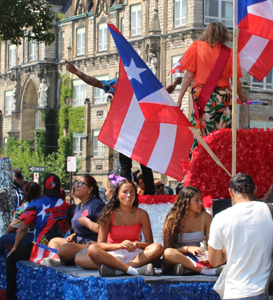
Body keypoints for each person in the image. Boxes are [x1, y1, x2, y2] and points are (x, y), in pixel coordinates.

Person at [65, 61, 182, 196]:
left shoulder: (118, 84)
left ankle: (126, 191)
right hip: (141, 130)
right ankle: (149, 194)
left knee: (127, 165)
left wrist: (76, 72)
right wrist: (175, 84)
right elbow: (165, 92)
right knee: (144, 164)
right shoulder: (145, 85)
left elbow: (96, 82)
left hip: (127, 130)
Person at [0, 174, 70, 300]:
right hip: (61, 247)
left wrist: (15, 247)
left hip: (40, 247)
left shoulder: (36, 203)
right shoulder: (66, 205)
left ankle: (10, 299)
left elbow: (23, 228)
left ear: (44, 188)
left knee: (11, 259)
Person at [76, 179, 163, 276]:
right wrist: (120, 245)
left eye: (131, 192)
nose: (129, 195)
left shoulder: (142, 214)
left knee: (158, 247)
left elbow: (150, 243)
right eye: (125, 192)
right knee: (92, 249)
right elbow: (101, 244)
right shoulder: (109, 214)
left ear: (135, 195)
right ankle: (133, 270)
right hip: (112, 255)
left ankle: (120, 270)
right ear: (117, 195)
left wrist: (137, 244)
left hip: (135, 255)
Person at [177, 22, 248, 138]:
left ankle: (199, 155)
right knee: (222, 136)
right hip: (223, 98)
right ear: (224, 35)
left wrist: (180, 99)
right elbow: (236, 81)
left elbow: (188, 76)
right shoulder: (230, 53)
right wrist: (241, 96)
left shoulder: (196, 47)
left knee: (201, 134)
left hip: (203, 97)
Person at [44, 175, 105, 266]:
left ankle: (65, 259)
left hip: (91, 244)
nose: (76, 186)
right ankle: (59, 260)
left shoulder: (97, 205)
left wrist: (87, 222)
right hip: (78, 242)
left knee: (64, 249)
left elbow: (102, 229)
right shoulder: (79, 206)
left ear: (90, 189)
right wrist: (74, 235)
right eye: (76, 183)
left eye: (81, 183)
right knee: (54, 241)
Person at [162, 186, 218, 276]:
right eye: (197, 200)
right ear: (186, 202)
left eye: (201, 200)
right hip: (177, 255)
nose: (200, 203)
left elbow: (210, 244)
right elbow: (167, 249)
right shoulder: (172, 219)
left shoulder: (206, 217)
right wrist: (187, 249)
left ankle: (186, 268)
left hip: (197, 256)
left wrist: (207, 255)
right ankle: (203, 270)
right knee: (168, 253)